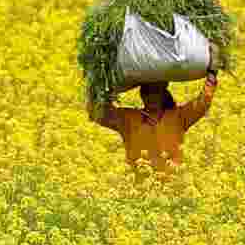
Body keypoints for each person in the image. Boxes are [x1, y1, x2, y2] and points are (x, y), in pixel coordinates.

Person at [88, 72, 218, 179]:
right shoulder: (128, 118)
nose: (151, 96)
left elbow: (203, 101)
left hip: (173, 187)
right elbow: (97, 113)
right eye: (147, 92)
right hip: (138, 190)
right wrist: (97, 82)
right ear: (142, 95)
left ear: (163, 94)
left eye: (156, 92)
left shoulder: (178, 116)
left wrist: (212, 75)